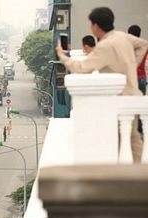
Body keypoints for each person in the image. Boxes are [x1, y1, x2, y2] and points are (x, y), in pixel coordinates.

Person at [56, 7, 148, 162]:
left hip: (118, 99)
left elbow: (82, 68)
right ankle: (137, 172)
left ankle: (129, 176)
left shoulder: (104, 47)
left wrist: (62, 56)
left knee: (118, 140)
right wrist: (132, 64)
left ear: (96, 26)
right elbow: (143, 44)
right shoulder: (122, 36)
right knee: (133, 138)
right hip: (132, 94)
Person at [128, 25, 147, 95]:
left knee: (129, 100)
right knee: (142, 101)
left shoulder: (126, 47)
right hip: (142, 77)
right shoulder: (144, 46)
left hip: (130, 77)